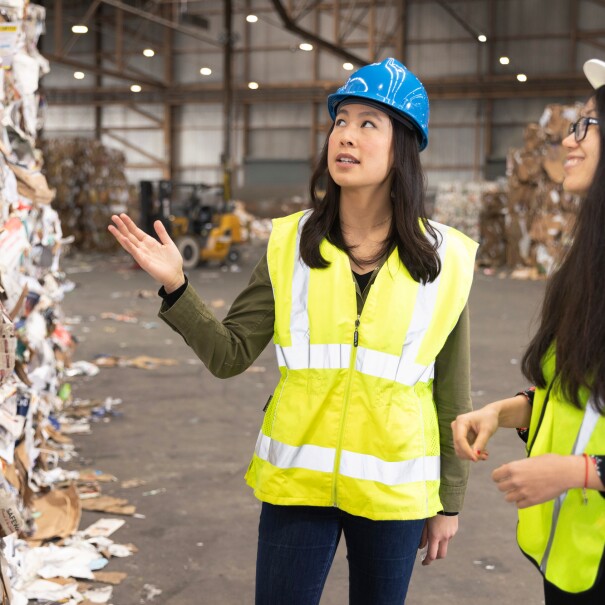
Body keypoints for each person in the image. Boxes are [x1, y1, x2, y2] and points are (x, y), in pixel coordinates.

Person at [109, 57, 478, 605]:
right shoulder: (290, 246)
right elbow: (229, 353)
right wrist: (178, 288)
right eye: (340, 121)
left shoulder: (445, 259)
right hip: (298, 482)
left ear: (403, 147)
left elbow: (452, 393)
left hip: (395, 491)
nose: (345, 136)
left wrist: (450, 502)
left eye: (367, 124)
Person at [451, 58, 605, 605]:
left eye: (589, 124)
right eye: (574, 123)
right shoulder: (586, 266)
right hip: (573, 559)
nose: (570, 137)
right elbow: (579, 401)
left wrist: (581, 472)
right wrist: (504, 411)